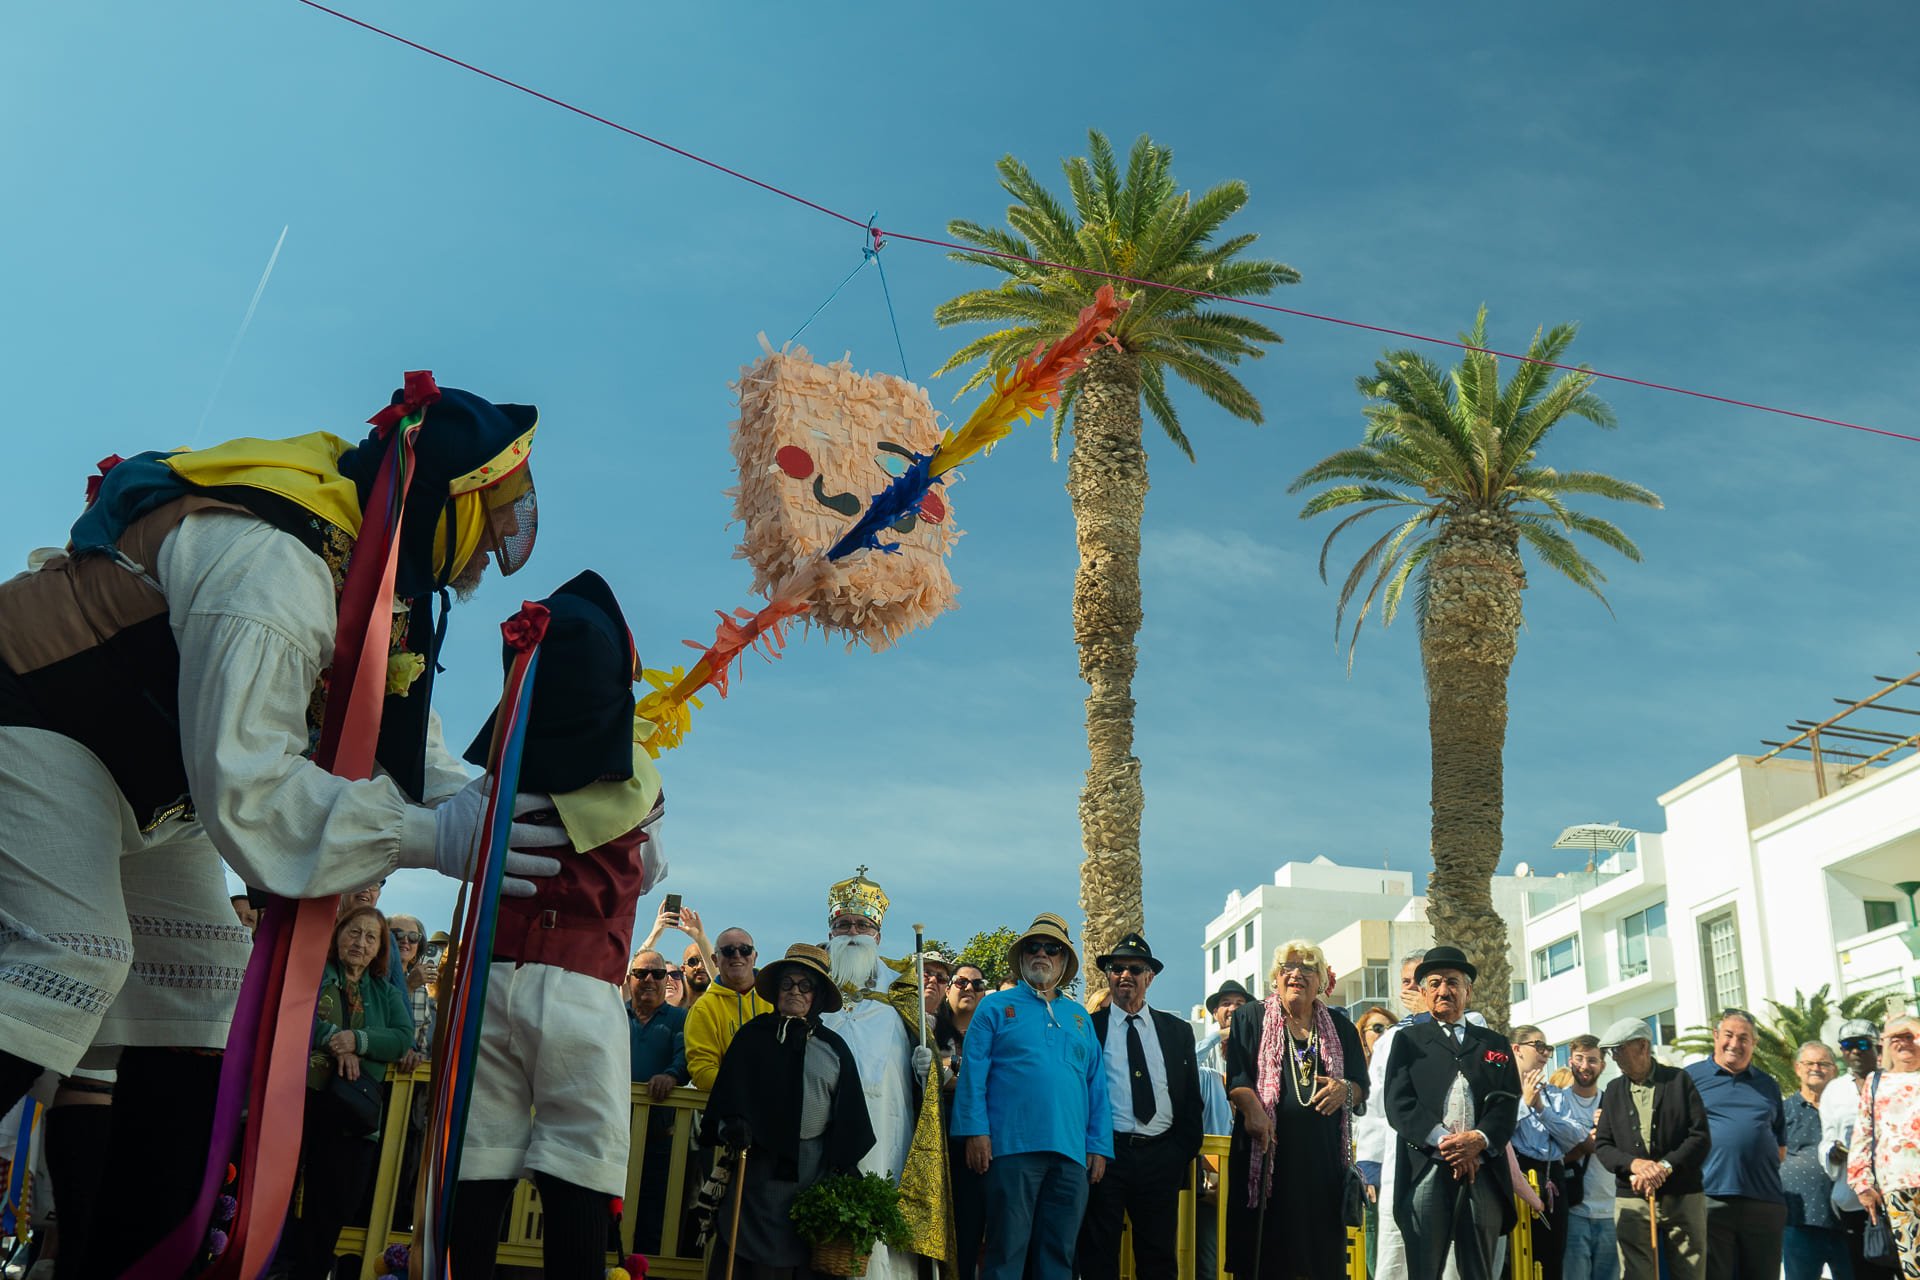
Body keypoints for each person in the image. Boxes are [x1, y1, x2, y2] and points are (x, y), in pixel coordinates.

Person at [0, 374, 568, 1270]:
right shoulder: (277, 561)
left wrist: (531, 812)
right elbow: (251, 789)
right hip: (36, 715)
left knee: (201, 992)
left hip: (148, 782)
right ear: (442, 499)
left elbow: (411, 759)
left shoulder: (375, 574)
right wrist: (435, 838)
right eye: (492, 510)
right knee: (75, 953)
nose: (501, 541)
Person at [447, 573, 671, 1280]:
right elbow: (653, 871)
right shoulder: (639, 790)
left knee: (478, 1161)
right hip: (580, 991)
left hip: (489, 985)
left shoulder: (496, 783)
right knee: (578, 1167)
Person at [952, 913, 1111, 1280]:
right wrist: (976, 1131)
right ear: (1022, 957)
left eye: (1052, 949)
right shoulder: (994, 1007)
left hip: (1071, 1154)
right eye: (1033, 947)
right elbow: (973, 1074)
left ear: (1064, 960)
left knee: (1059, 1256)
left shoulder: (1080, 1017)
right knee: (1006, 1252)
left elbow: (1097, 1085)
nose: (1041, 953)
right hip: (1011, 1148)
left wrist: (1099, 1145)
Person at [702, 943, 876, 1280]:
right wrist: (731, 1125)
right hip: (755, 1171)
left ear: (818, 996)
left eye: (805, 985)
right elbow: (726, 1098)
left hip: (812, 1174)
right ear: (777, 990)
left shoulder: (834, 1048)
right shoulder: (752, 1037)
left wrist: (845, 1165)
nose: (795, 991)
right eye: (787, 983)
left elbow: (851, 1117)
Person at [816, 868, 939, 1280]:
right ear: (830, 933)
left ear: (878, 936)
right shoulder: (812, 988)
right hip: (824, 1125)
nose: (853, 932)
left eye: (862, 925)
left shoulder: (901, 992)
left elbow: (927, 1084)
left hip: (887, 1127)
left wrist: (926, 1071)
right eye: (843, 924)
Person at [1225, 939, 1368, 1280]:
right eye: (1287, 968)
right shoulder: (1251, 1017)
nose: (1296, 975)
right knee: (1264, 1260)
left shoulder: (1341, 1027)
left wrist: (1345, 1089)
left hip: (1321, 1165)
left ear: (1321, 981)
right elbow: (1238, 1079)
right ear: (1275, 977)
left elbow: (1361, 1085)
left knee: (1318, 1262)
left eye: (1307, 968)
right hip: (1265, 1156)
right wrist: (1254, 1111)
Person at [284, 906, 412, 1280]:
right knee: (277, 1196)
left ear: (380, 949)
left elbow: (402, 1037)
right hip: (300, 1102)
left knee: (334, 1206)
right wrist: (334, 1040)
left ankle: (309, 1273)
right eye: (354, 932)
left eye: (371, 937)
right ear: (338, 934)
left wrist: (357, 1040)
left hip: (352, 1115)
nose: (361, 942)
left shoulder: (386, 992)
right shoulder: (313, 975)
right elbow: (292, 1014)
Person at [1381, 945, 1520, 1280]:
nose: (1444, 990)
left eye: (1453, 982)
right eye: (1435, 983)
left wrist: (1478, 1140)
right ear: (1424, 993)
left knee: (1478, 1269)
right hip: (1425, 1165)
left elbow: (1507, 1102)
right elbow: (1399, 1102)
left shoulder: (1494, 1043)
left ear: (1467, 991)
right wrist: (1448, 1144)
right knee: (1424, 1267)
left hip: (1483, 1169)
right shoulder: (1407, 1041)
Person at [1077, 934, 1202, 1280]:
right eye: (1117, 968)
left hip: (1162, 1155)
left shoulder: (1177, 1031)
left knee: (1158, 1256)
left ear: (1150, 977)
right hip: (1106, 1157)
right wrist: (1091, 1147)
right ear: (1108, 975)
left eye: (1135, 969)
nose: (1125, 975)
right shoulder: (1090, 1028)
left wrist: (1180, 1151)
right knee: (1098, 1254)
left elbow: (1190, 1096)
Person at [1593, 1016, 1711, 1280]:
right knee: (1636, 1273)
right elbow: (1603, 1145)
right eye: (1612, 1051)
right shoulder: (1613, 1090)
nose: (1614, 1057)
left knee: (1690, 1272)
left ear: (1643, 1046)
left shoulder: (1679, 1081)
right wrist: (1634, 1165)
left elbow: (1700, 1137)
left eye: (1619, 1049)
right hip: (1632, 1196)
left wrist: (1664, 1167)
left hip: (1682, 1195)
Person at [1685, 1008, 1787, 1279]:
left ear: (1754, 1043)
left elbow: (1780, 1146)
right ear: (1716, 1036)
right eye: (1728, 1035)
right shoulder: (1689, 1079)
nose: (1735, 1044)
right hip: (1710, 1198)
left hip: (1764, 1201)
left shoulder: (1768, 1084)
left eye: (1744, 1038)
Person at [1356, 949, 1434, 1278]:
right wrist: (1369, 1166)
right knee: (1395, 1258)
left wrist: (1427, 1016)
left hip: (1447, 1158)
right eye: (1405, 981)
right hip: (1397, 1162)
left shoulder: (1471, 1025)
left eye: (1420, 980)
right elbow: (1374, 1105)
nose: (1412, 988)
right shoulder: (1390, 1039)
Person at [1510, 1025, 1594, 1280]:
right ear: (1516, 1049)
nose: (1545, 1053)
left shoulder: (1554, 1094)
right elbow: (1497, 1133)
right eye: (1539, 1046)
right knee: (1518, 1256)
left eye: (1548, 1048)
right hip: (1517, 1175)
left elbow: (1574, 1136)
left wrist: (1541, 1109)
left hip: (1552, 1175)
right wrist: (1524, 1104)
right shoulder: (1503, 1090)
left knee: (1553, 1255)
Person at [627, 947, 690, 1255]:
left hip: (658, 1137)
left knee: (651, 1218)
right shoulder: (614, 1014)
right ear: (629, 979)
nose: (649, 979)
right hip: (611, 1131)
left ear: (667, 979)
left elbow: (686, 1057)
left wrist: (671, 1075)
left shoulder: (681, 1018)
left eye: (658, 973)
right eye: (641, 973)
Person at [1850, 1014, 1920, 1275]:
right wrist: (1862, 1184)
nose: (1904, 1042)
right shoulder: (1876, 1081)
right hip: (1897, 1185)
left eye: (1909, 1036)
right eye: (1896, 1038)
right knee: (1913, 1266)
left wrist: (1914, 1027)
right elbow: (1862, 1133)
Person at [1828, 1018, 1898, 1279]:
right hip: (1857, 1201)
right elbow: (1828, 1138)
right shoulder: (1834, 1091)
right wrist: (1832, 1153)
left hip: (1898, 1194)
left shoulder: (1896, 1082)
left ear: (1877, 1048)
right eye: (1848, 1045)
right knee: (1868, 1271)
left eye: (1862, 1044)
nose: (1855, 1051)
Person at [935, 963, 990, 1280]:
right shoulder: (929, 1029)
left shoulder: (994, 1035)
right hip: (936, 1139)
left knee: (970, 1230)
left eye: (977, 984)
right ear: (948, 989)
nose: (969, 988)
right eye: (961, 982)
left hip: (979, 1142)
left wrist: (952, 1072)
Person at [1781, 1040, 1850, 1279]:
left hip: (1847, 1218)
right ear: (1797, 1068)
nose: (1816, 1068)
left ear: (1835, 1070)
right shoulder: (1782, 1111)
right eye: (1809, 1063)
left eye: (1823, 1064)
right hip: (1800, 1219)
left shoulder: (1847, 1109)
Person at [686, 928, 773, 1090]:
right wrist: (750, 1090)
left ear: (754, 957)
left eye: (745, 950)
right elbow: (702, 1071)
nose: (737, 955)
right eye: (728, 951)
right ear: (715, 960)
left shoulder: (776, 997)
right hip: (730, 1104)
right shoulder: (703, 1009)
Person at [1561, 1036, 1618, 1280]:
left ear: (1603, 1065)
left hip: (1611, 1212)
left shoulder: (1614, 1103)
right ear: (1570, 1061)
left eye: (1592, 1060)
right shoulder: (1558, 1102)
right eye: (1579, 1059)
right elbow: (1546, 1157)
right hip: (1574, 1211)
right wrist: (1584, 1147)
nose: (1585, 1066)